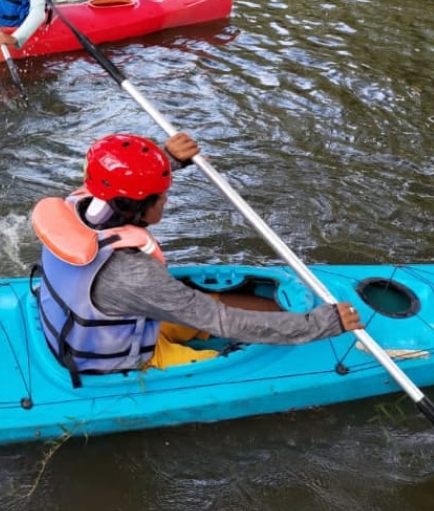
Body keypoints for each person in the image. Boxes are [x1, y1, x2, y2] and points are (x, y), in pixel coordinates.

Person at [32, 132, 363, 385]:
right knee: (222, 355)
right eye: (161, 196)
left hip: (89, 324)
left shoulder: (80, 202)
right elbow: (223, 321)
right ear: (138, 206)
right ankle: (283, 335)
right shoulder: (134, 273)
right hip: (115, 359)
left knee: (214, 302)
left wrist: (166, 159)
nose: (166, 201)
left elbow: (120, 180)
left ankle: (287, 317)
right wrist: (322, 323)